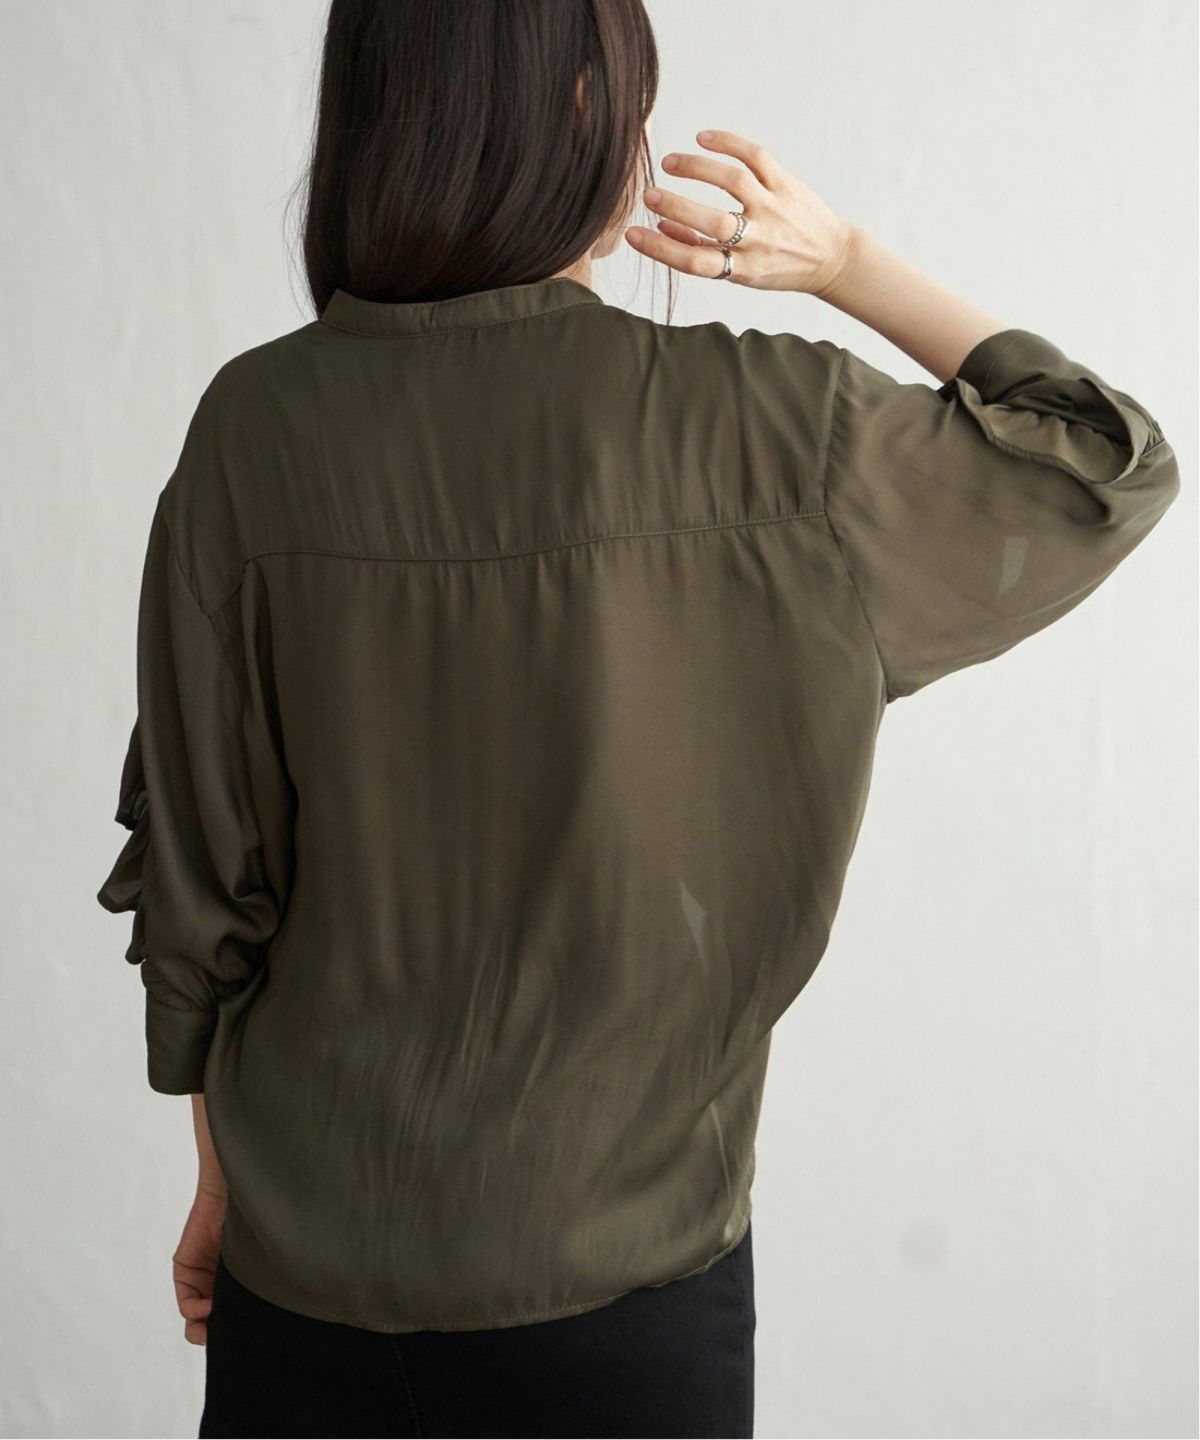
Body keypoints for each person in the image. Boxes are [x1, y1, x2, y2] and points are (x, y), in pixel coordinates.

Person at [95, 1, 1180, 1436]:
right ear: (587, 109)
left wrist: (222, 1176)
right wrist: (848, 264)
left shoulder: (254, 429)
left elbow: (206, 872)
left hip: (310, 1274)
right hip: (630, 1298)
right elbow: (1107, 464)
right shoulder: (777, 430)